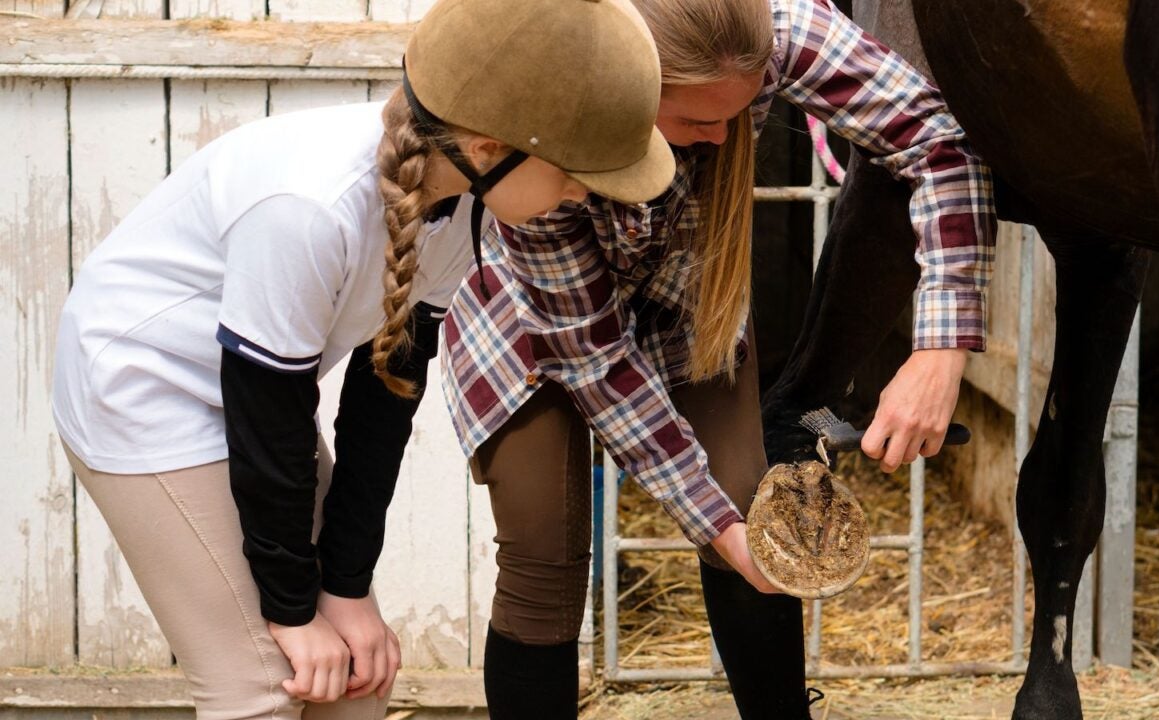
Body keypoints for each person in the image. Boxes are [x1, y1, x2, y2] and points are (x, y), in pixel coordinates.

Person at [51, 1, 674, 717]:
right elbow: (269, 411)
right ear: (484, 146)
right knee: (264, 684)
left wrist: (345, 587)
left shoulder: (462, 207)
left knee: (356, 681)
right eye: (574, 170)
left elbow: (383, 403)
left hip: (252, 402)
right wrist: (292, 608)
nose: (580, 191)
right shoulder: (310, 206)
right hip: (139, 385)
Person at [440, 0, 997, 717]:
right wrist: (713, 527)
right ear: (631, 89)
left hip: (691, 290)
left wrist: (941, 346)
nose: (726, 136)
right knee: (542, 555)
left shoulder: (780, 28)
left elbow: (939, 139)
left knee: (748, 503)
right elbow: (599, 366)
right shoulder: (558, 100)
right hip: (539, 319)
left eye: (742, 111)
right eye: (697, 120)